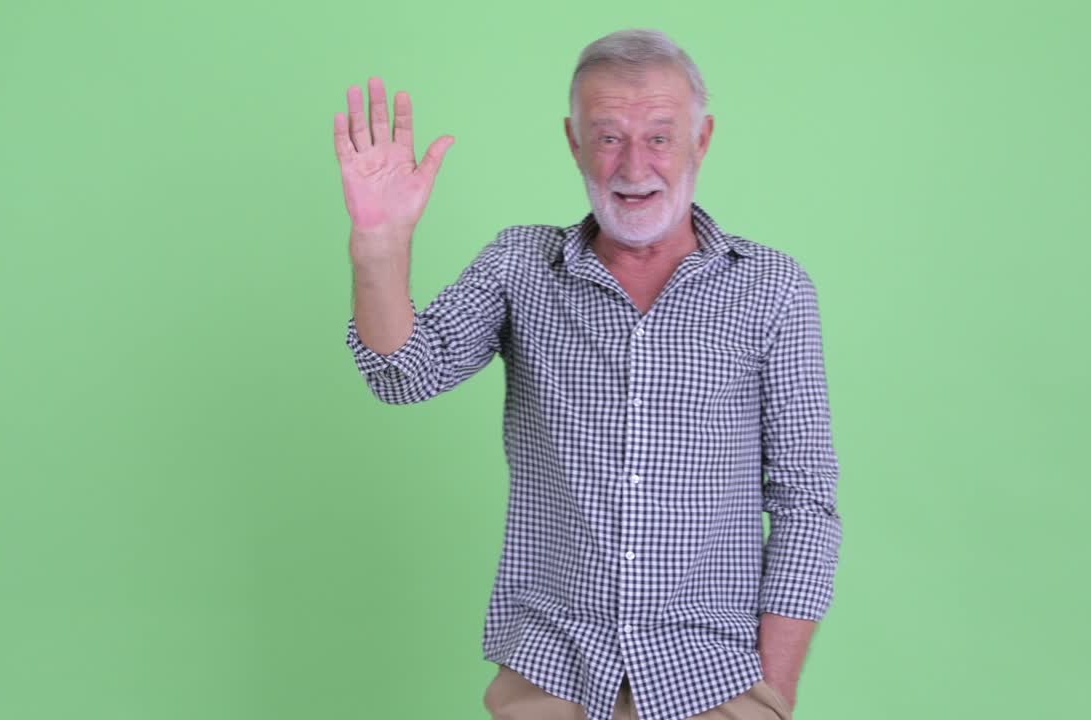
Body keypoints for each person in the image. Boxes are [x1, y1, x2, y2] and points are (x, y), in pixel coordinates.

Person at [335, 28, 841, 720]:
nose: (634, 165)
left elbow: (806, 503)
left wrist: (772, 695)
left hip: (713, 683)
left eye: (660, 136)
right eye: (608, 137)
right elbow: (403, 375)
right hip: (554, 676)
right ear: (574, 143)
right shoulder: (521, 267)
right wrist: (380, 246)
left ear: (703, 139)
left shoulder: (772, 290)